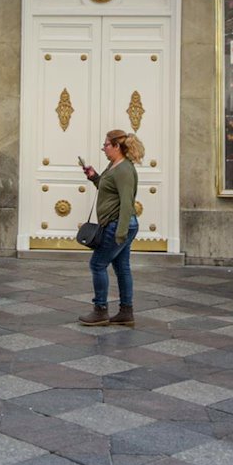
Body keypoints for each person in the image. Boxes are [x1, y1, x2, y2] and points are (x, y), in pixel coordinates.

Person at [79, 129, 143, 327]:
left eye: (106, 144)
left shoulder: (124, 169)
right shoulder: (114, 165)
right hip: (119, 224)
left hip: (118, 224)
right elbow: (108, 190)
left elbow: (126, 202)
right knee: (122, 267)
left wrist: (120, 232)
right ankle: (126, 312)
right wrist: (94, 177)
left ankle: (100, 311)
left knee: (97, 264)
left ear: (117, 146)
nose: (103, 148)